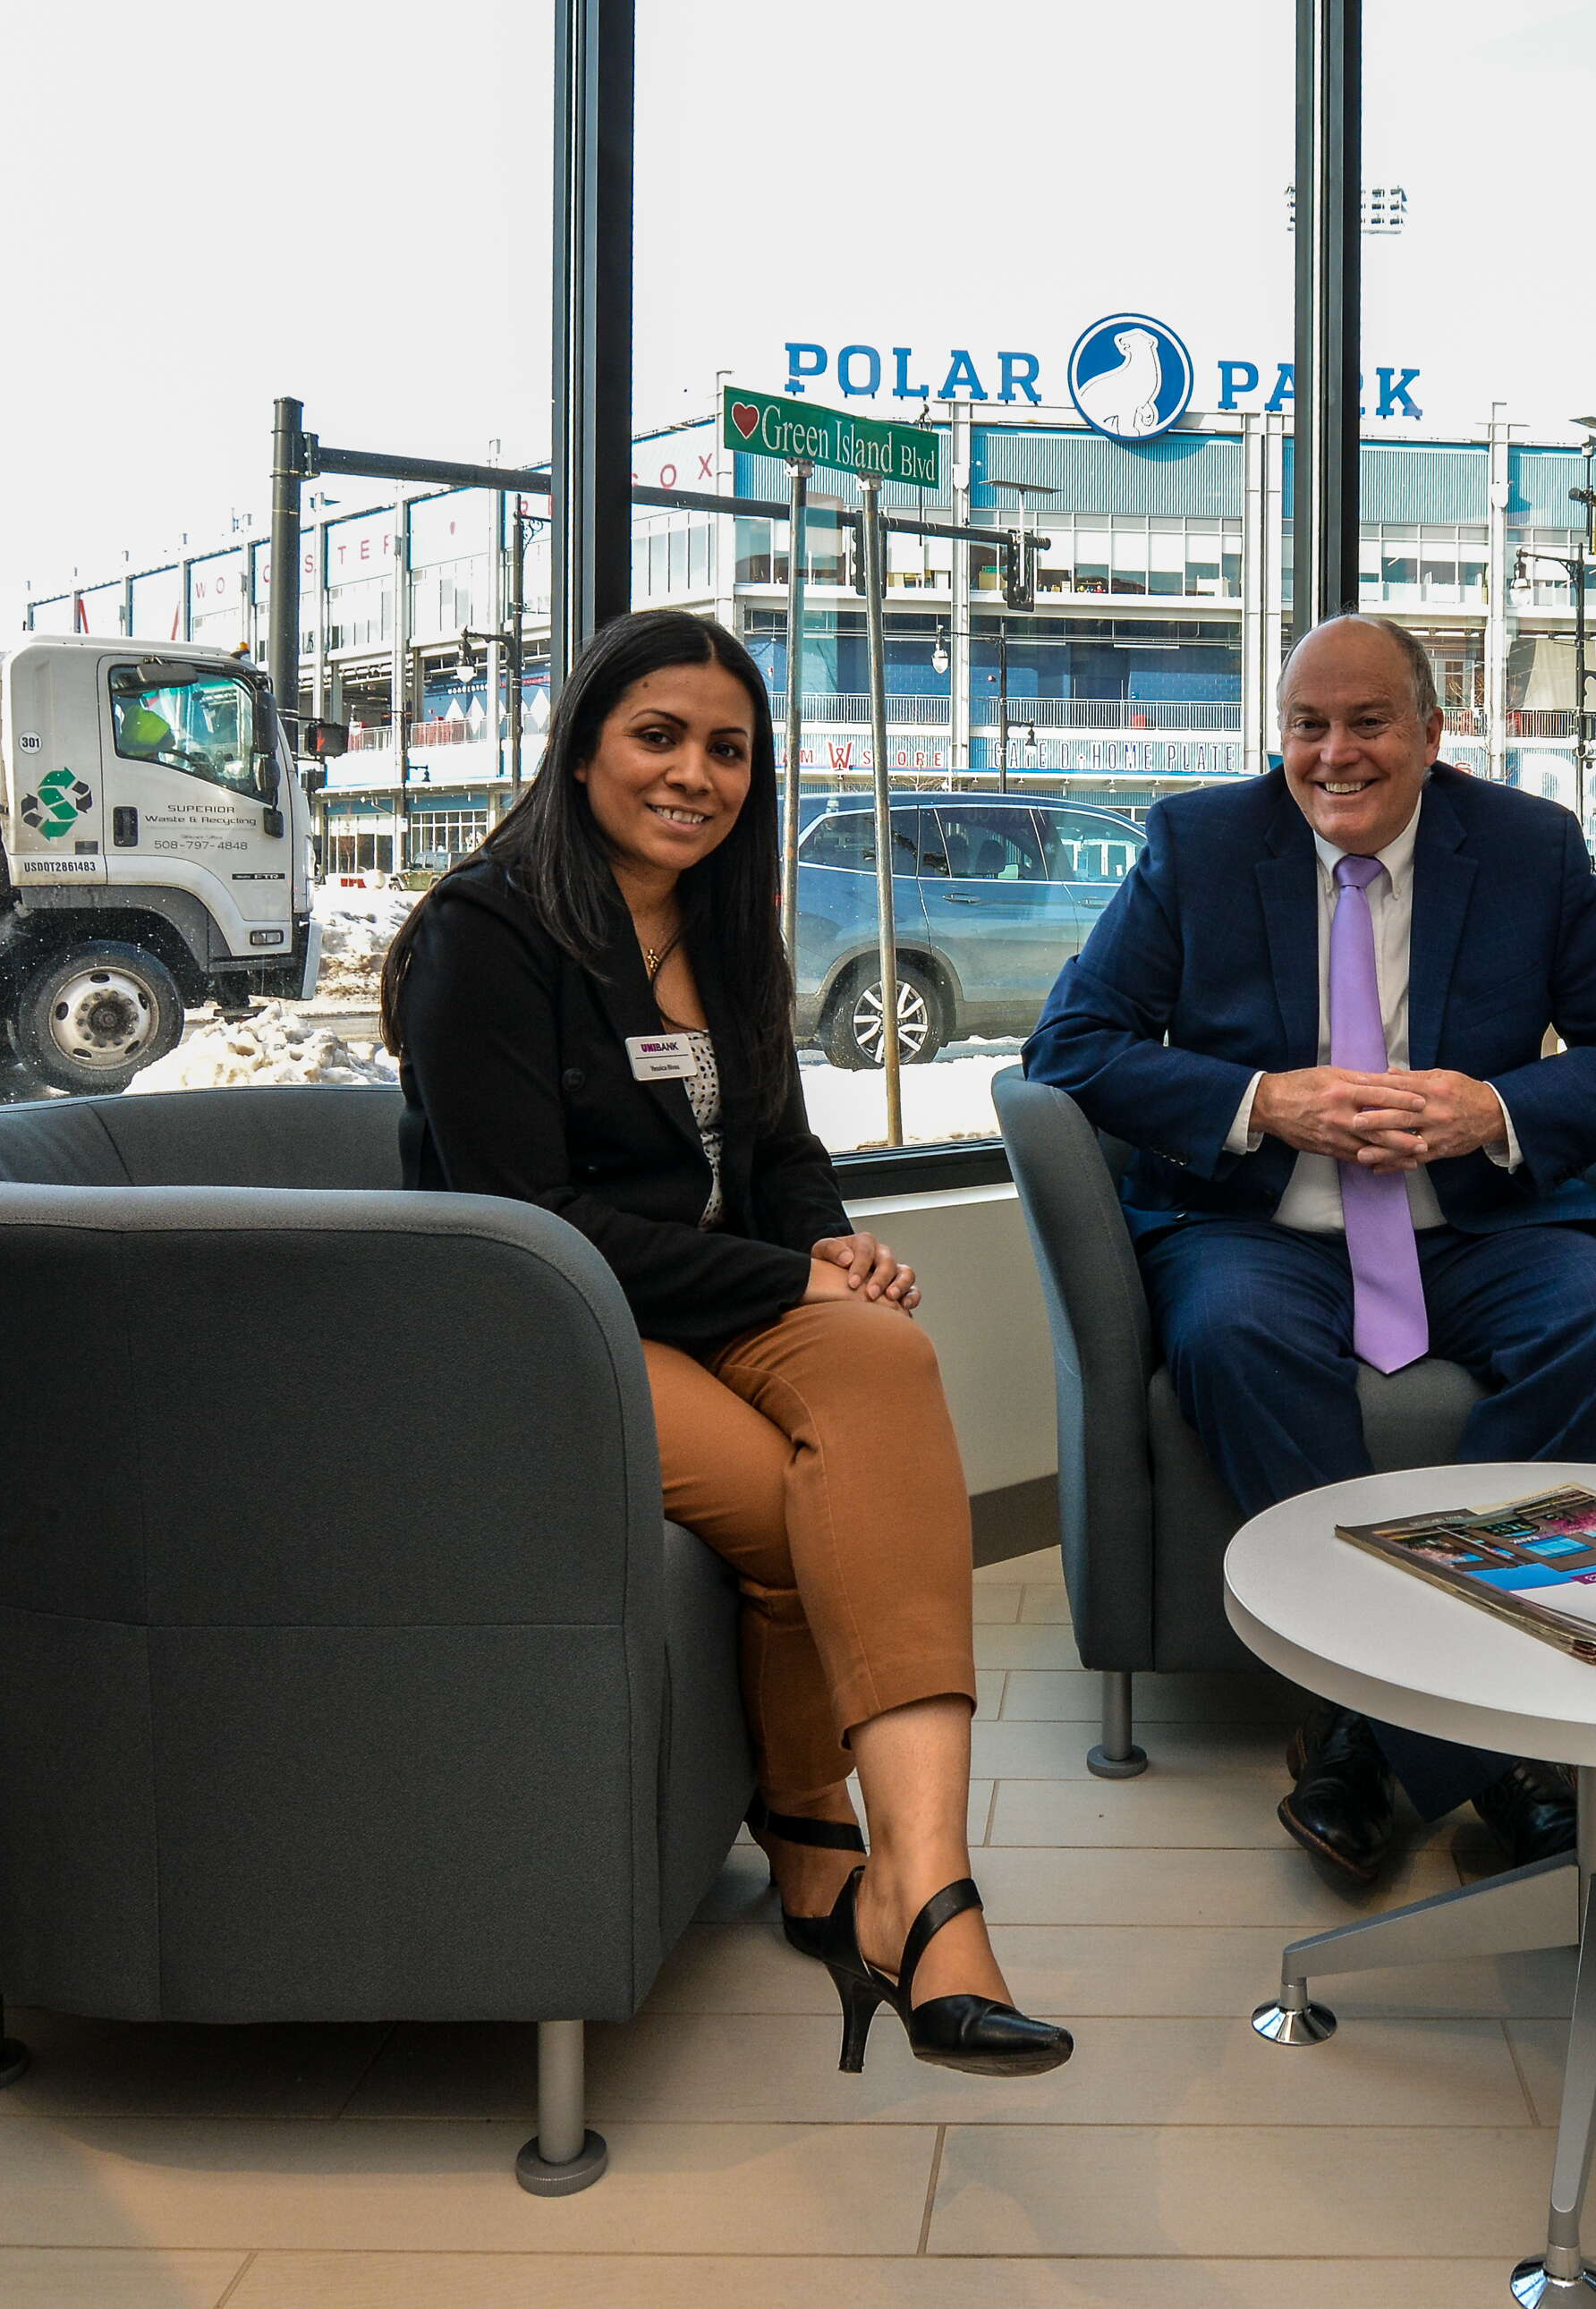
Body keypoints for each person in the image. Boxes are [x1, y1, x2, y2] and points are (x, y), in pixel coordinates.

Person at [381, 609, 1070, 2079]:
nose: (696, 773)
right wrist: (782, 1274)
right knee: (804, 1510)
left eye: (729, 748)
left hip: (712, 1294)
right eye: (659, 735)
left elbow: (778, 1143)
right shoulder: (481, 936)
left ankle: (916, 1881)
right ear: (580, 750)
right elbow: (528, 1216)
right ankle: (821, 1827)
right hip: (539, 1318)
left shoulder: (723, 922)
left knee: (887, 1358)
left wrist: (822, 1241)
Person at [1023, 613, 1596, 1891]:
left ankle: (1373, 1744)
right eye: (1307, 725)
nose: (1334, 754)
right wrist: (1261, 1101)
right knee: (1230, 1339)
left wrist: (1495, 1110)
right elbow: (1070, 1045)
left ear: (1433, 732)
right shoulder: (1197, 843)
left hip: (1478, 1226)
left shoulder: (1525, 847)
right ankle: (1487, 1748)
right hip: (1258, 1225)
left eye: (1368, 722)